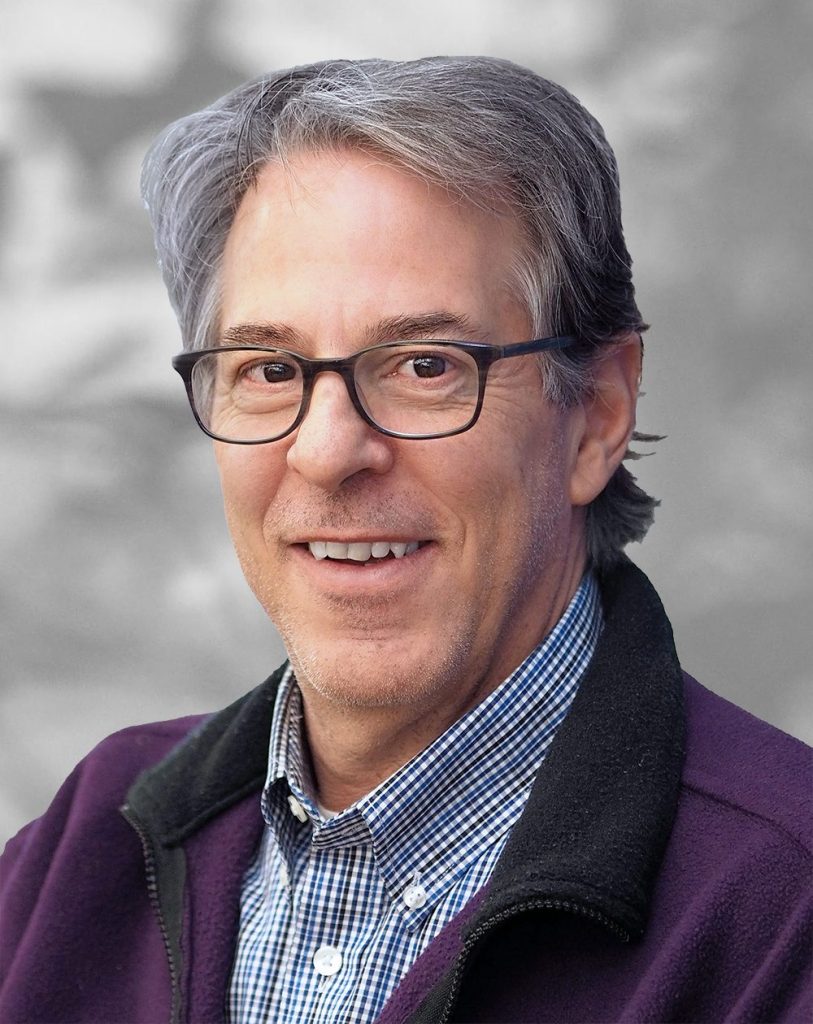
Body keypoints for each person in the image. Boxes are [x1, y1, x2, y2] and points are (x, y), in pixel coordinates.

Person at [1, 56, 810, 1024]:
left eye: (425, 365)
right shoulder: (79, 849)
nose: (328, 450)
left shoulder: (782, 908)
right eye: (267, 368)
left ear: (596, 414)